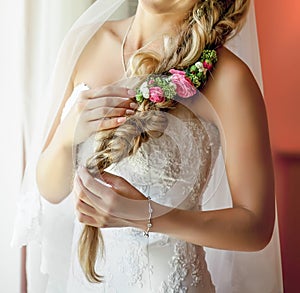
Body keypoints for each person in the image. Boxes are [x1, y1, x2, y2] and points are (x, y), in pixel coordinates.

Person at [13, 0, 283, 292]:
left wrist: (148, 215)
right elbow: (51, 190)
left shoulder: (229, 78)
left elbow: (256, 227)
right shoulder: (86, 43)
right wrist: (69, 134)